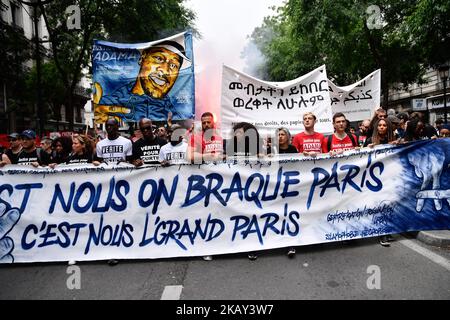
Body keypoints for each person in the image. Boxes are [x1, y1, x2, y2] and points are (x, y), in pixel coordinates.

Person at [94, 41, 192, 122]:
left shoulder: (176, 115)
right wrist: (100, 122)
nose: (165, 71)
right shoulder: (111, 103)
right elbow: (101, 119)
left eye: (173, 66)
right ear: (142, 58)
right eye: (159, 58)